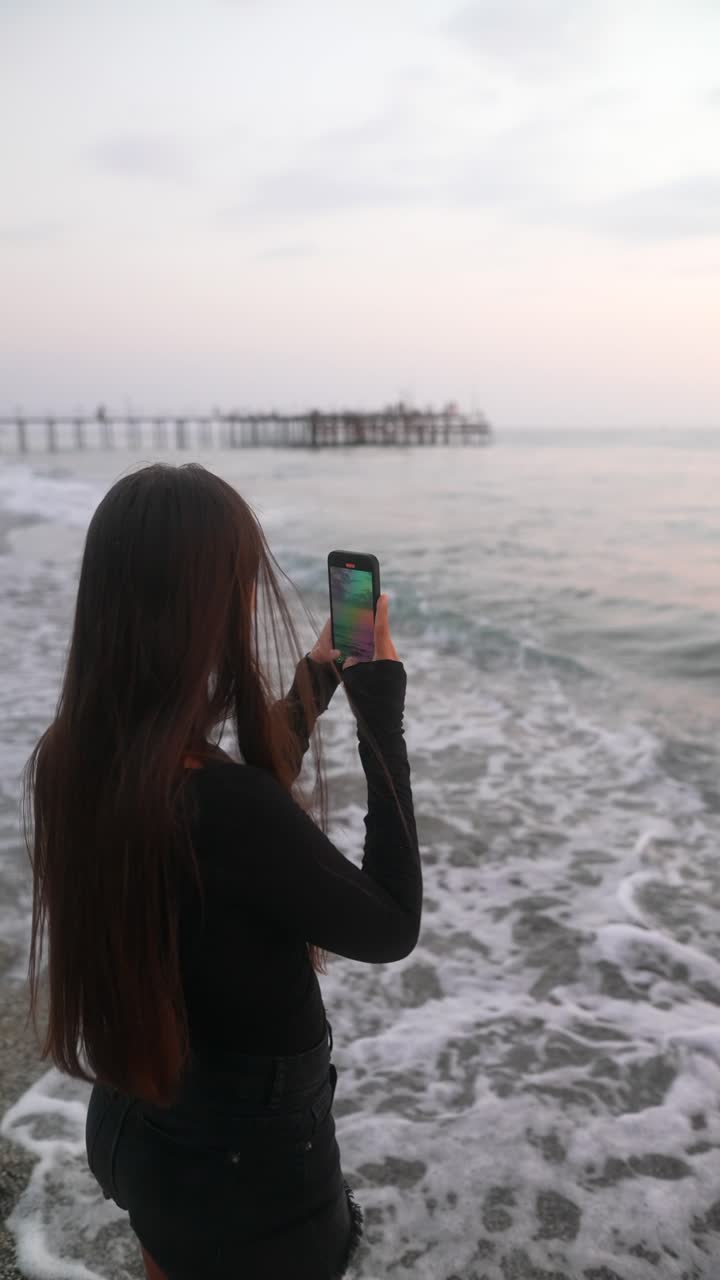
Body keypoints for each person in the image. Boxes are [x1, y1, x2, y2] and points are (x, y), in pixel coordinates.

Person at [22, 462, 422, 1280]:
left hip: (141, 1122)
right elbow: (390, 925)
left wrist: (318, 678)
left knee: (174, 1253)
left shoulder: (78, 755)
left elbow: (225, 803)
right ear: (204, 606)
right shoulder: (222, 806)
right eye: (238, 584)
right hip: (248, 1168)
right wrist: (379, 712)